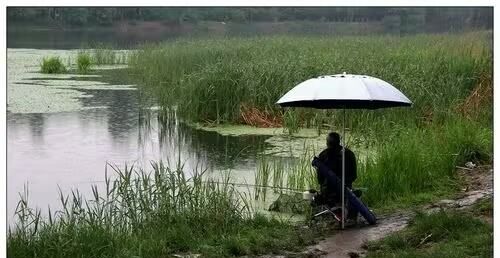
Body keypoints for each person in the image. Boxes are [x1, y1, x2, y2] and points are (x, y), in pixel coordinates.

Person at [316, 132, 358, 221]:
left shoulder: (322, 156)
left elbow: (320, 180)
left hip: (328, 193)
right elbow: (354, 176)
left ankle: (331, 213)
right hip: (346, 190)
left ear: (327, 143)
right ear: (339, 141)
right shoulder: (349, 154)